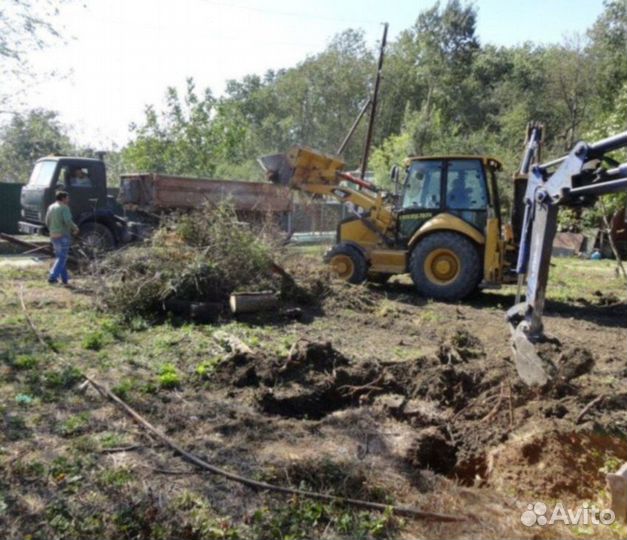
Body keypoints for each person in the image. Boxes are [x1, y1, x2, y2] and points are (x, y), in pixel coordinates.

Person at [45, 191, 79, 285]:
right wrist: (75, 228)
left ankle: (65, 280)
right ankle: (52, 277)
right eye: (67, 198)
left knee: (61, 257)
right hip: (63, 235)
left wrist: (52, 230)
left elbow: (47, 221)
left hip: (53, 235)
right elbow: (68, 221)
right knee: (62, 258)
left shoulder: (51, 207)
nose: (68, 200)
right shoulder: (64, 207)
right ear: (63, 198)